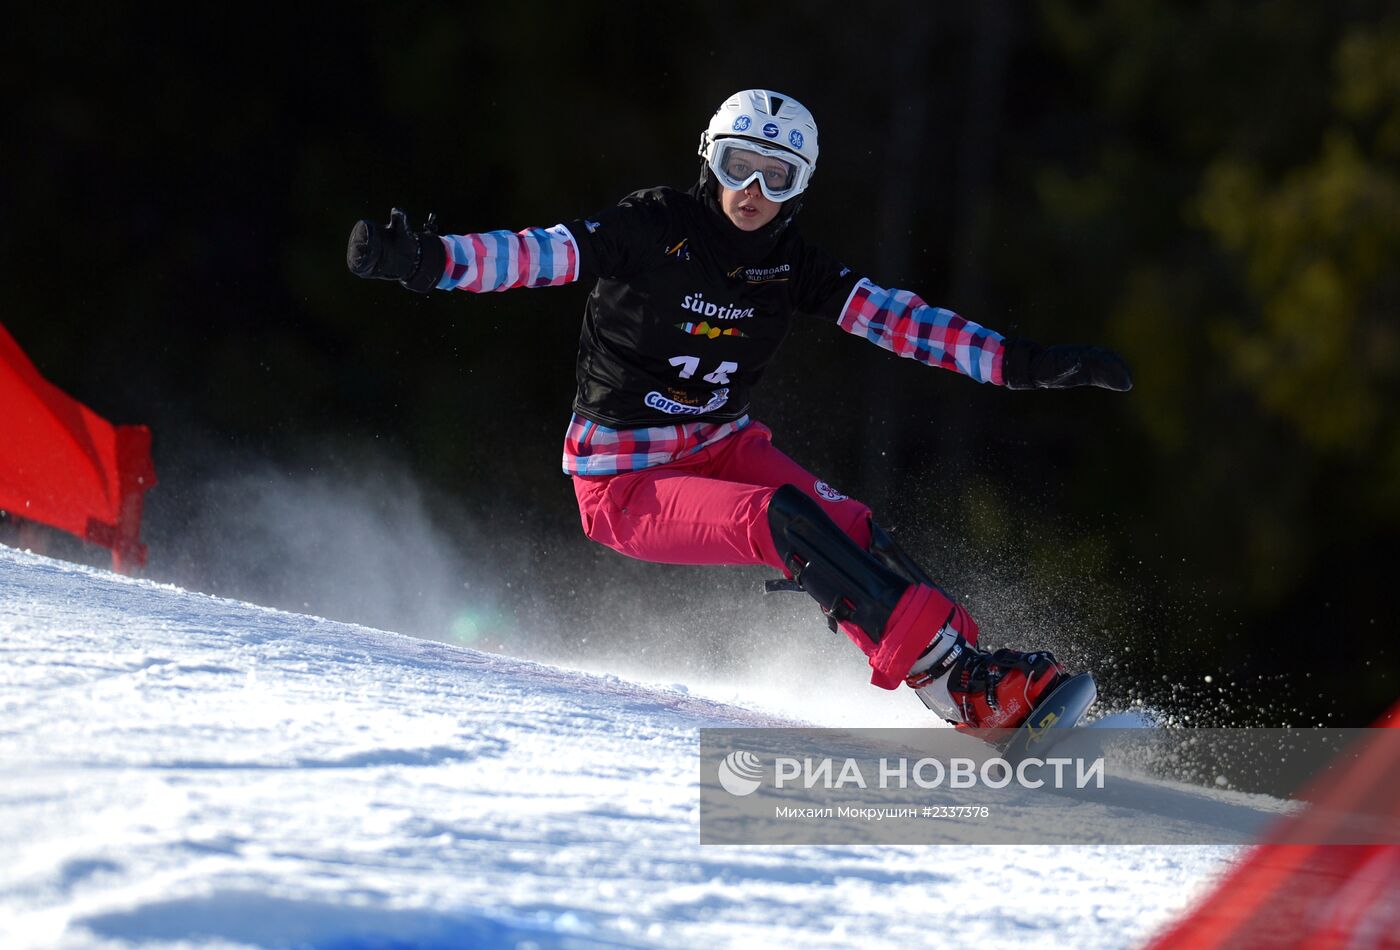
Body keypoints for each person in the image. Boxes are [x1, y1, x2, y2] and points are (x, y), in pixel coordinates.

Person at [346, 89, 1132, 730]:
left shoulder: (790, 265)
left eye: (776, 177)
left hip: (720, 444)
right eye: (737, 167)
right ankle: (961, 689)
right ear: (707, 163)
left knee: (849, 526)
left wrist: (1020, 364)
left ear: (800, 189)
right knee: (780, 520)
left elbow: (899, 321)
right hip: (623, 480)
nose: (751, 192)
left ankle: (973, 676)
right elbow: (541, 252)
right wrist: (431, 262)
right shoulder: (654, 227)